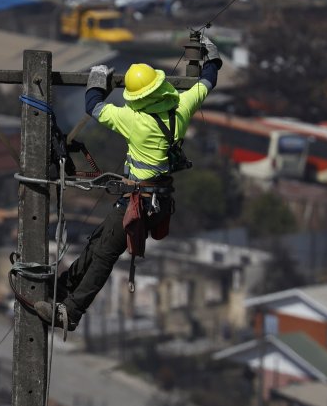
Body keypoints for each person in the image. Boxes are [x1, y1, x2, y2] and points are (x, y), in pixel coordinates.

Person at [32, 37, 223, 331]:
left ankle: (70, 312)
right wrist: (213, 59)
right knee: (98, 244)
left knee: (104, 255)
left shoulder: (135, 121)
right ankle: (62, 288)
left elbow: (94, 106)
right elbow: (207, 82)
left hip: (136, 201)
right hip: (155, 202)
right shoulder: (182, 108)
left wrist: (97, 80)